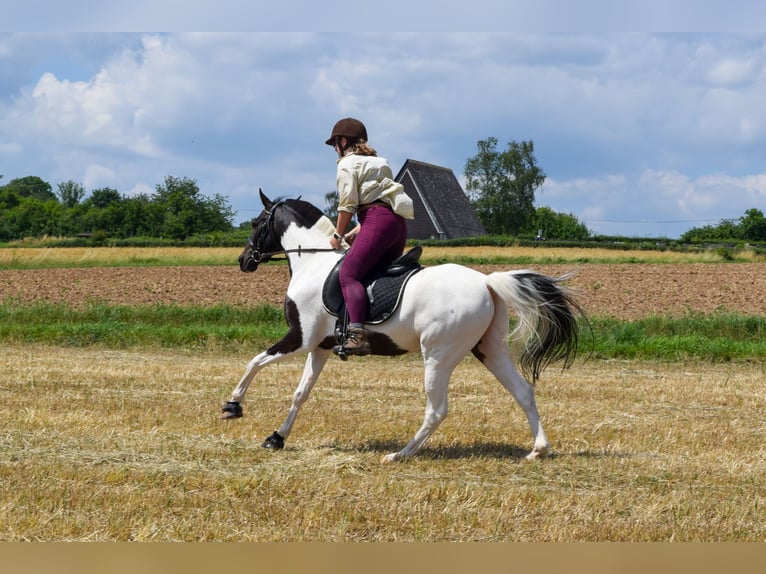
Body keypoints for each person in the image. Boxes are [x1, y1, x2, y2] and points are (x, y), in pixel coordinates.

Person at [326, 117, 414, 355]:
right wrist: (359, 230)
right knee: (376, 272)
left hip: (376, 221)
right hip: (396, 224)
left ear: (343, 141)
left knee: (348, 275)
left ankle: (356, 335)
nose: (335, 149)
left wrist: (338, 234)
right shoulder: (380, 162)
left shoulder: (346, 164)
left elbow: (347, 205)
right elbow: (380, 200)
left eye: (335, 144)